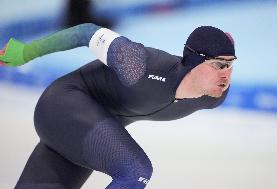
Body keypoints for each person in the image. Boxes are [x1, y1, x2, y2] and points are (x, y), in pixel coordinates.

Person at [0, 23, 237, 189]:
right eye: (219, 65)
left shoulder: (212, 98)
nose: (226, 74)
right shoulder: (139, 64)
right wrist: (26, 52)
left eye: (230, 65)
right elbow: (85, 33)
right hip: (63, 105)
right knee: (136, 171)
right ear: (194, 62)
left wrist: (223, 56)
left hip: (81, 133)